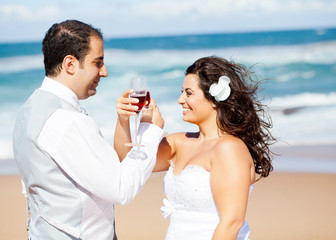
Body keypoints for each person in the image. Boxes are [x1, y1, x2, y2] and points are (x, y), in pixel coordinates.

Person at [13, 20, 164, 239]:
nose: (104, 72)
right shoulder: (65, 120)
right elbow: (120, 189)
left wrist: (123, 121)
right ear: (70, 64)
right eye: (98, 62)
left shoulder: (30, 109)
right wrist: (149, 132)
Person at [117, 56, 275, 239]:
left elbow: (231, 224)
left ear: (215, 99)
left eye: (189, 93)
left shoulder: (229, 149)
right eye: (182, 92)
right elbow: (129, 160)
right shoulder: (179, 143)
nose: (180, 100)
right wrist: (123, 119)